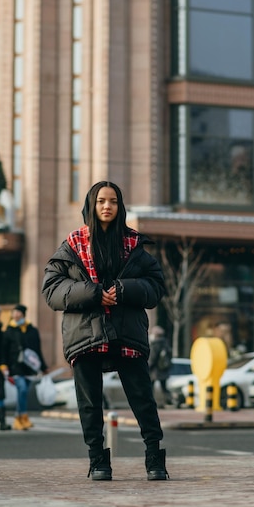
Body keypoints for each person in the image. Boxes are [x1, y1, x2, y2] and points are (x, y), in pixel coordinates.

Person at [42, 180, 168, 481]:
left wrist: (124, 290)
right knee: (89, 402)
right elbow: (52, 290)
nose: (107, 206)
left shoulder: (134, 245)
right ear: (91, 205)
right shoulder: (72, 245)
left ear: (120, 206)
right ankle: (98, 460)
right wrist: (94, 293)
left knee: (142, 397)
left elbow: (156, 287)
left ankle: (154, 458)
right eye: (101, 201)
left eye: (112, 201)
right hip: (85, 332)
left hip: (127, 332)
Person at [1, 304, 48, 431]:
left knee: (25, 392)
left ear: (23, 315)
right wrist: (4, 365)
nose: (16, 316)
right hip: (15, 366)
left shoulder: (32, 330)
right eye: (14, 313)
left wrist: (43, 367)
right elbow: (4, 350)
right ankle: (18, 418)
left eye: (18, 313)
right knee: (21, 389)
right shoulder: (9, 331)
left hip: (29, 367)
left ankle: (24, 418)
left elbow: (37, 350)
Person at [148, 325, 173, 408]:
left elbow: (153, 358)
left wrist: (148, 367)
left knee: (151, 388)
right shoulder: (165, 343)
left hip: (155, 371)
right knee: (164, 387)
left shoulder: (155, 344)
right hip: (164, 369)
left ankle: (151, 403)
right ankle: (169, 401)